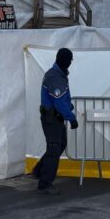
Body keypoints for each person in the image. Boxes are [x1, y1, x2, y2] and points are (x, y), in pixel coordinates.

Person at [32, 47, 78, 195]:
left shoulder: (59, 74)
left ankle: (39, 170)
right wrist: (71, 118)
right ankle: (45, 184)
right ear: (64, 60)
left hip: (55, 117)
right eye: (69, 60)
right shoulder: (54, 76)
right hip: (51, 118)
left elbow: (62, 98)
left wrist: (68, 105)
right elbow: (58, 102)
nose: (70, 62)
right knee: (54, 149)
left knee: (60, 144)